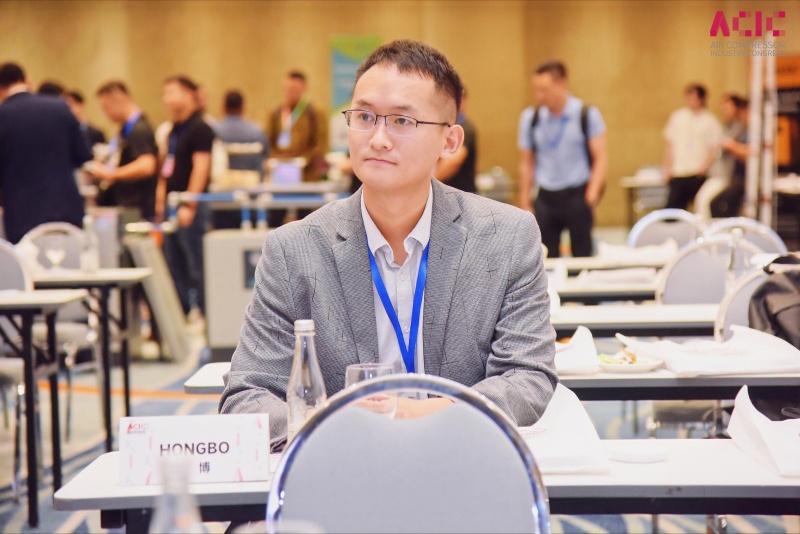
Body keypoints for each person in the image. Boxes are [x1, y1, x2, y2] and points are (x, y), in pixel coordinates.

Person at [220, 39, 557, 449]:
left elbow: (527, 377)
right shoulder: (293, 250)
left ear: (450, 141)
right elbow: (247, 395)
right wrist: (339, 424)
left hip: (461, 460)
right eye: (364, 117)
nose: (378, 139)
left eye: (401, 121)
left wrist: (413, 415)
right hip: (343, 466)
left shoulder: (507, 237)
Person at [517, 61, 608, 258]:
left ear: (562, 84)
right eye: (536, 90)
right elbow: (526, 162)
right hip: (545, 197)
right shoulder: (531, 118)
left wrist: (591, 195)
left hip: (577, 194)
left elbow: (600, 157)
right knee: (544, 256)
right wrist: (525, 200)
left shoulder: (586, 114)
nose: (539, 96)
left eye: (545, 90)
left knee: (582, 255)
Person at [0, 62, 91, 243]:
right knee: (70, 258)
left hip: (21, 215)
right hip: (66, 211)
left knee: (26, 261)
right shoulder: (60, 107)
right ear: (27, 80)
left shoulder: (2, 115)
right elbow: (83, 156)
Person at [159, 75, 215, 315]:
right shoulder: (173, 129)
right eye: (165, 94)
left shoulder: (200, 128)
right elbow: (166, 167)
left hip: (190, 207)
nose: (167, 99)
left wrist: (189, 204)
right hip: (171, 206)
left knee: (196, 265)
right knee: (175, 265)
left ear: (190, 94)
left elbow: (201, 168)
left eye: (172, 93)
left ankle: (205, 314)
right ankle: (182, 314)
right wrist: (160, 200)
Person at [88, 80, 159, 220]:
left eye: (106, 107)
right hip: (126, 205)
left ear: (120, 100)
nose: (106, 113)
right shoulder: (125, 129)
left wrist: (111, 174)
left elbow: (147, 165)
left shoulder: (139, 130)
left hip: (137, 208)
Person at [265, 71, 328, 226]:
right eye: (287, 89)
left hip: (305, 176)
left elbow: (321, 144)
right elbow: (268, 141)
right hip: (280, 175)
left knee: (305, 220)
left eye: (294, 89)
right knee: (275, 218)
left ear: (304, 89)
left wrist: (303, 161)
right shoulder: (276, 113)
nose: (290, 93)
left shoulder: (315, 113)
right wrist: (276, 159)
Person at [213, 90, 269, 229]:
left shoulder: (215, 131)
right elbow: (265, 156)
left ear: (223, 107)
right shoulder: (257, 132)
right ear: (243, 108)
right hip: (252, 198)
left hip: (223, 201)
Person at [662, 83, 722, 211]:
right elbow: (669, 144)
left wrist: (703, 167)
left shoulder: (710, 120)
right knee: (674, 208)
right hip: (679, 171)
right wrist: (667, 167)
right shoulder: (678, 117)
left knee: (699, 206)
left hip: (697, 172)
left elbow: (714, 147)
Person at [693, 94, 747, 221]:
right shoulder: (726, 128)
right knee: (701, 202)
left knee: (707, 203)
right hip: (718, 174)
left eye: (727, 108)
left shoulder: (740, 128)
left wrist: (729, 144)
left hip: (728, 176)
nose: (724, 111)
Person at [710, 97, 749, 218]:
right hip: (733, 177)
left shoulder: (745, 130)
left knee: (716, 203)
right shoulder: (731, 128)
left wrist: (731, 146)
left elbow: (749, 153)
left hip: (743, 179)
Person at [434, 87, 477, 193]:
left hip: (461, 194)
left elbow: (453, 162)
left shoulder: (466, 128)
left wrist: (428, 183)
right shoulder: (443, 125)